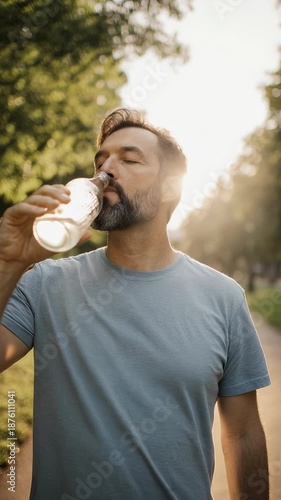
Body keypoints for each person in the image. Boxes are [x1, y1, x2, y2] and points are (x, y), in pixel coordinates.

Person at [0, 108, 270, 500]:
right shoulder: (45, 282)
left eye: (129, 159)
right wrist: (9, 263)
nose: (106, 170)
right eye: (101, 160)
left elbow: (243, 432)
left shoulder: (223, 297)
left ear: (170, 188)